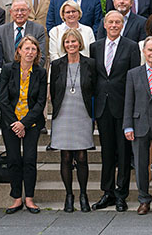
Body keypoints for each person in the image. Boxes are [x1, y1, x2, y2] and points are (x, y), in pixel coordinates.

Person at [89, 11, 142, 212]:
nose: (113, 25)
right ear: (104, 24)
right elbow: (94, 77)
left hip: (123, 106)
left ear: (122, 25)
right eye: (110, 22)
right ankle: (107, 192)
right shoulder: (96, 47)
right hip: (103, 107)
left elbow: (134, 79)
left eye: (117, 22)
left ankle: (121, 194)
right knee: (107, 152)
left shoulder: (131, 47)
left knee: (123, 153)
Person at [0, 36, 48, 214]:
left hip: (31, 123)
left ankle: (29, 198)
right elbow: (2, 99)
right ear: (19, 50)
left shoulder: (40, 72)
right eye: (26, 49)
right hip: (11, 123)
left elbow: (40, 102)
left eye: (33, 49)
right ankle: (17, 198)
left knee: (29, 160)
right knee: (13, 159)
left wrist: (24, 124)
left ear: (37, 53)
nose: (30, 52)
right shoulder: (7, 70)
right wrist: (15, 123)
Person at [50, 28, 98, 213]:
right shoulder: (56, 65)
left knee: (82, 156)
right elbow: (54, 92)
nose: (71, 45)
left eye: (74, 42)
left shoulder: (90, 64)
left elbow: (94, 89)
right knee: (66, 156)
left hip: (82, 113)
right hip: (63, 114)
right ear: (63, 45)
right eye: (67, 42)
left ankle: (84, 195)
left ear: (80, 43)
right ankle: (69, 195)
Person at [0, 0, 48, 67]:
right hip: (8, 74)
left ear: (29, 11)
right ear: (11, 12)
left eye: (23, 10)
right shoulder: (0, 31)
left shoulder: (38, 29)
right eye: (16, 10)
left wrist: (27, 71)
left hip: (31, 73)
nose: (19, 13)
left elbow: (41, 56)